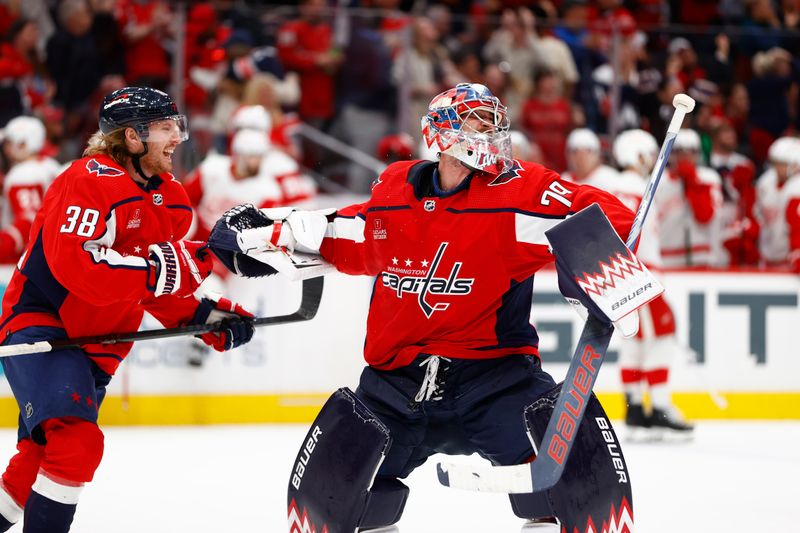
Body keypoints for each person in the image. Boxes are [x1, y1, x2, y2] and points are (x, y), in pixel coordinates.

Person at [215, 83, 638, 531]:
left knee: (578, 484)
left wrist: (599, 265)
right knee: (331, 498)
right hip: (396, 390)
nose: (492, 131)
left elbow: (613, 221)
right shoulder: (396, 191)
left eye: (495, 120)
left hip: (496, 383)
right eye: (478, 120)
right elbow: (350, 234)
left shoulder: (521, 193)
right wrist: (259, 238)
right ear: (443, 133)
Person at [0, 87, 254, 533]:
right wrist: (164, 269)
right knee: (75, 445)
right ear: (132, 138)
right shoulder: (85, 180)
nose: (177, 137)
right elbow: (81, 269)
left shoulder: (172, 199)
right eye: (164, 128)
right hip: (43, 323)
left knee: (35, 463)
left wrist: (201, 316)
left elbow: (152, 284)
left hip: (98, 344)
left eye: (177, 126)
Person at [610, 129, 694, 437]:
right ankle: (657, 406)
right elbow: (625, 232)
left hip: (632, 274)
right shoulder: (632, 187)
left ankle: (634, 408)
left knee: (635, 341)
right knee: (661, 334)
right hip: (641, 274)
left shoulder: (624, 186)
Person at [0, 115, 60, 263]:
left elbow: (29, 222)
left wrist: (4, 245)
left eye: (9, 143)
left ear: (23, 144)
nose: (6, 149)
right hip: (51, 250)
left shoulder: (23, 175)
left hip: (23, 260)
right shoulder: (51, 165)